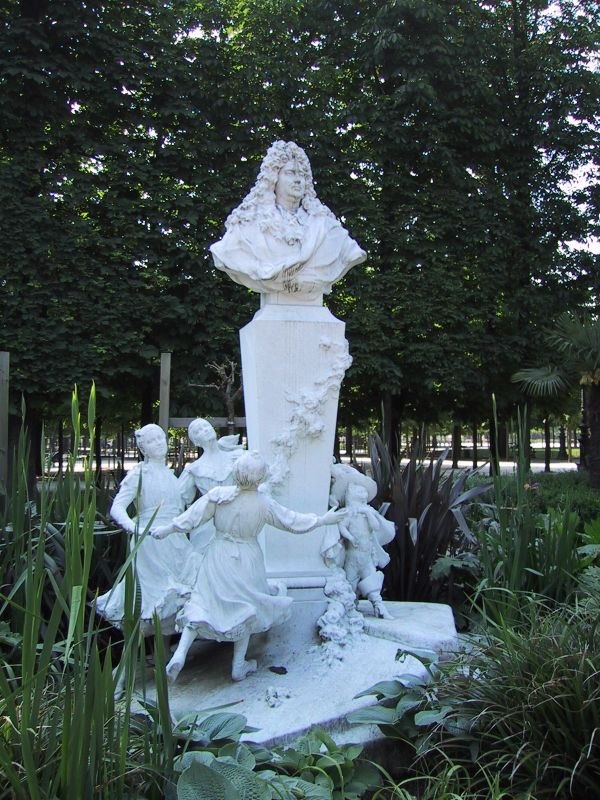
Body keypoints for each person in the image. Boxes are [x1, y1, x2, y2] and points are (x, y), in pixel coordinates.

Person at [150, 451, 346, 682]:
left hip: (218, 554)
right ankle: (238, 665)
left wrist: (167, 529)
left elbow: (191, 518)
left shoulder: (219, 495)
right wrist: (321, 520)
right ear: (261, 477)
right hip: (247, 557)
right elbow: (291, 521)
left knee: (203, 601)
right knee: (246, 606)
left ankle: (181, 653)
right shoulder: (263, 503)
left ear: (236, 472)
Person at [210, 141, 366, 298]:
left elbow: (353, 253)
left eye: (302, 175)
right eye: (290, 172)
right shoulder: (248, 226)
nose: (298, 180)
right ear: (274, 178)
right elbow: (226, 253)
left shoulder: (328, 228)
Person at [96, 424, 195, 637]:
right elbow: (117, 507)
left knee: (177, 592)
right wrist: (134, 527)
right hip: (151, 542)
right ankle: (135, 650)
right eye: (151, 441)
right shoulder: (139, 474)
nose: (158, 443)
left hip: (175, 540)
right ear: (143, 448)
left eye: (160, 438)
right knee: (152, 594)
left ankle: (165, 646)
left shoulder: (171, 475)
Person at [321, 482, 395, 619]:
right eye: (359, 492)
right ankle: (350, 607)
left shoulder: (369, 512)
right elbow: (342, 527)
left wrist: (368, 513)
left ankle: (379, 606)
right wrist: (350, 537)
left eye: (364, 492)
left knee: (372, 580)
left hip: (367, 556)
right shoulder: (348, 513)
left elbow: (376, 527)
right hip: (352, 556)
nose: (363, 494)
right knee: (350, 583)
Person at [178, 417, 244, 548]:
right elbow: (179, 497)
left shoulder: (236, 456)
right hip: (209, 524)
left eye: (206, 426)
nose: (205, 430)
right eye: (199, 431)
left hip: (238, 518)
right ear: (196, 441)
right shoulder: (194, 469)